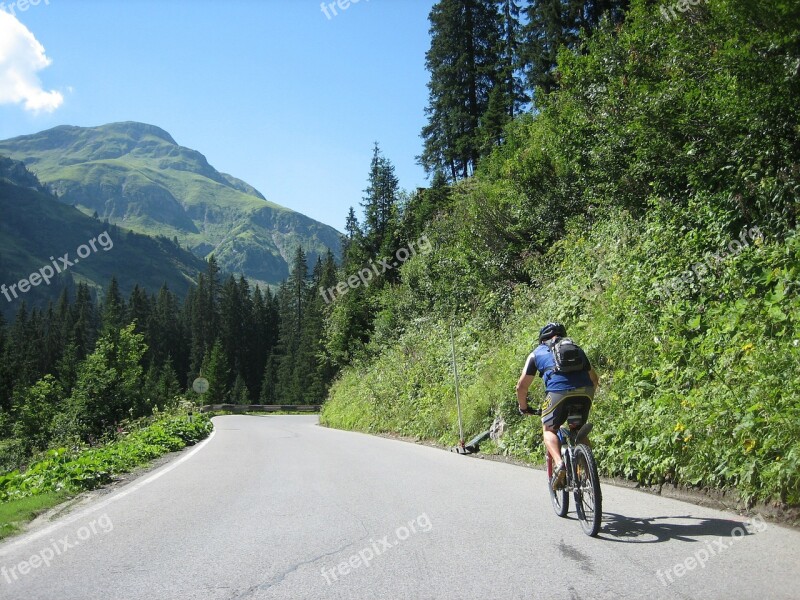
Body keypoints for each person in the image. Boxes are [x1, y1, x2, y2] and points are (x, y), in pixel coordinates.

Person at [516, 322, 599, 490]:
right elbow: (594, 379)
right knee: (578, 429)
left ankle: (560, 464)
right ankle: (591, 477)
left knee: (549, 429)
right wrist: (584, 395)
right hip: (585, 392)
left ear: (542, 339)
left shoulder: (537, 353)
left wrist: (524, 407)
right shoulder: (576, 348)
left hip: (557, 393)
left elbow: (521, 387)